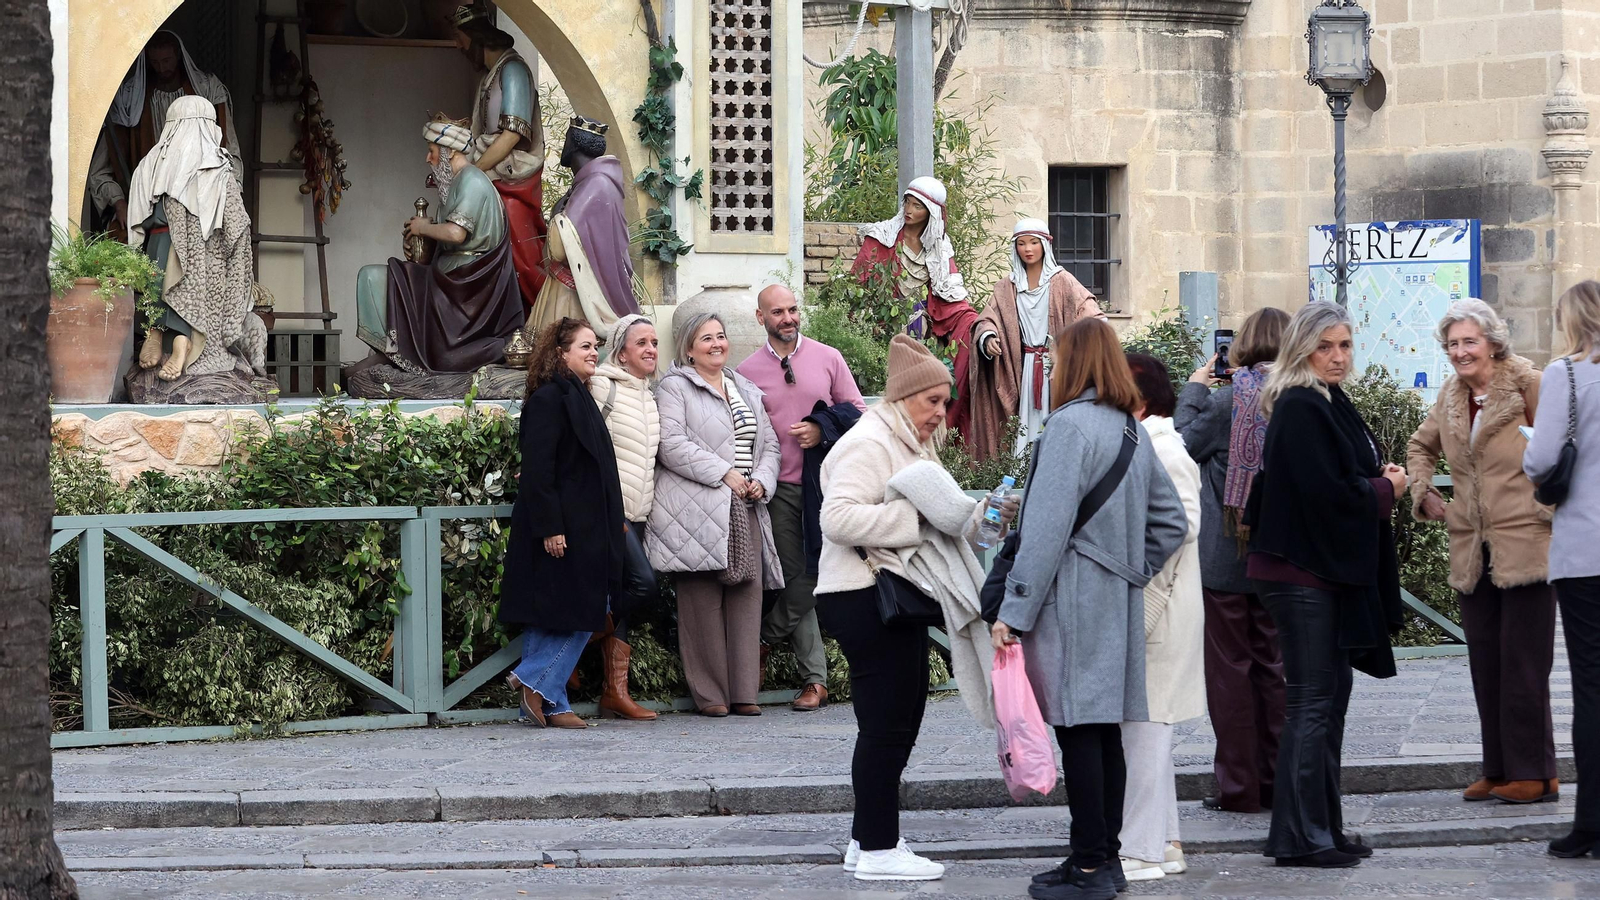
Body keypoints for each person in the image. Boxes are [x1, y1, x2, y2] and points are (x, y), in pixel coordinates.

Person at [994, 318, 1189, 900]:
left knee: (1080, 731)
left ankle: (1088, 866)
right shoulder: (1131, 431)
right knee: (1102, 733)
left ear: (1075, 362)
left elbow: (1045, 531)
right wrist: (1124, 567)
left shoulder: (1069, 427)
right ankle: (1103, 859)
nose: (1051, 366)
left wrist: (1014, 610)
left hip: (1071, 602)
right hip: (1115, 602)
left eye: (1056, 357)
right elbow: (1171, 523)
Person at [816, 334, 1015, 883]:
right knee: (888, 724)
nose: (939, 413)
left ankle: (867, 839)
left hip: (876, 598)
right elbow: (837, 519)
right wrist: (912, 524)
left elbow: (947, 523)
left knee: (893, 721)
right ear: (903, 397)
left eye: (943, 402)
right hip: (862, 596)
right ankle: (880, 848)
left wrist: (987, 517)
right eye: (931, 401)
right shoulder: (871, 441)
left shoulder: (905, 441)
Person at [1246, 302, 1404, 868]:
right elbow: (1325, 493)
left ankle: (1321, 828)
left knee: (1329, 701)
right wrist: (1386, 491)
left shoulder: (1329, 400)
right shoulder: (1300, 405)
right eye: (1326, 347)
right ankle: (1300, 836)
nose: (1338, 357)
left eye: (1344, 345)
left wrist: (1378, 480)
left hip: (1319, 572)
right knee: (1313, 703)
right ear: (1302, 349)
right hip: (1301, 573)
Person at [1406, 299, 1555, 804]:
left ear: (1493, 341)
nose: (1460, 352)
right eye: (1452, 344)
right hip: (1471, 547)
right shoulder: (1450, 395)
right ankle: (1497, 768)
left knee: (1524, 662)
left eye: (1469, 341)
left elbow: (1566, 445)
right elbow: (1419, 446)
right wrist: (1423, 490)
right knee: (1486, 659)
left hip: (1527, 541)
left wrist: (1550, 505)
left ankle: (1535, 772)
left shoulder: (1529, 384)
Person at [1173, 307, 1290, 814]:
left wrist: (1195, 387)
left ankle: (1239, 788)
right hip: (1280, 556)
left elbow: (1180, 445)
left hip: (1224, 560)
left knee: (1230, 676)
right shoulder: (1297, 398)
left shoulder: (1226, 402)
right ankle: (1279, 780)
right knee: (1274, 670)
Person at [736, 284, 865, 711]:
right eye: (778, 312)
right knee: (799, 578)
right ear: (761, 319)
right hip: (778, 490)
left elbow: (858, 413)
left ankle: (761, 640)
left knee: (817, 575)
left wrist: (821, 427)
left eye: (793, 309)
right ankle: (816, 681)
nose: (788, 318)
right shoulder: (745, 372)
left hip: (828, 487)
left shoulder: (828, 357)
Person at [647, 313, 783, 717]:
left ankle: (744, 693)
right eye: (706, 338)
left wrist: (761, 479)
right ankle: (711, 696)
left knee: (746, 596)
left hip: (746, 505)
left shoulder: (746, 388)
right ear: (689, 348)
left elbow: (770, 446)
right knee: (701, 602)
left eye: (721, 336)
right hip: (698, 508)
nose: (716, 344)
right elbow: (670, 444)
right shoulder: (674, 387)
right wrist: (722, 473)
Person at [498, 317, 625, 729]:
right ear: (560, 353)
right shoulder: (551, 398)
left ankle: (549, 704)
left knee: (552, 613)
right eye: (585, 347)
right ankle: (533, 681)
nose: (594, 353)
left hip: (585, 524)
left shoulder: (577, 395)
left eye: (595, 347)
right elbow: (539, 468)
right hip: (562, 528)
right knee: (583, 608)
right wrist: (551, 527)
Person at [1118, 353, 1205, 883]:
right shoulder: (1151, 442)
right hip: (1161, 603)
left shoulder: (1163, 448)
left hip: (1160, 607)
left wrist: (1138, 579)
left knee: (1145, 729)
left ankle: (1144, 849)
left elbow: (1184, 523)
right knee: (1149, 729)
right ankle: (1165, 841)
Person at [1524, 280, 1600, 858]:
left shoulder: (1566, 375)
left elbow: (1543, 458)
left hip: (1586, 551)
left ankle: (1592, 826)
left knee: (1592, 689)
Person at [354, 116, 523, 374]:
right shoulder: (451, 187)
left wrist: (423, 228)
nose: (428, 158)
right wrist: (420, 245)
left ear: (450, 151)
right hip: (449, 281)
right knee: (374, 276)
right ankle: (390, 350)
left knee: (384, 278)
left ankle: (401, 353)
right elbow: (447, 243)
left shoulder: (472, 180)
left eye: (431, 151)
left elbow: (456, 234)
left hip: (468, 290)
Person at [126, 96, 264, 384]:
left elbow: (138, 215)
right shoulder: (217, 168)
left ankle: (156, 334)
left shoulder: (152, 164)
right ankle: (181, 341)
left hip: (158, 243)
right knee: (190, 289)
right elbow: (235, 226)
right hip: (202, 258)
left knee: (156, 287)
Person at [850, 177, 979, 436]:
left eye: (917, 206)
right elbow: (858, 288)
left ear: (930, 212)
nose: (909, 210)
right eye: (907, 203)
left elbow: (950, 295)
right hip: (880, 324)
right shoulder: (881, 238)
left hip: (919, 329)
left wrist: (977, 323)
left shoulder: (939, 247)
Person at [968, 218, 1104, 460]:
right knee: (1025, 421)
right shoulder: (1006, 287)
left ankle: (1057, 465)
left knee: (1056, 416)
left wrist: (1072, 349)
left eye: (1033, 242)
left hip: (1057, 365)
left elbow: (1089, 310)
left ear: (1045, 245)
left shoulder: (1061, 280)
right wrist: (988, 336)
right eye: (1021, 243)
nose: (1027, 249)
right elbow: (988, 318)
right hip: (1024, 367)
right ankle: (1023, 472)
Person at [89, 31, 242, 241]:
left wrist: (230, 199)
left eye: (167, 60)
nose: (162, 68)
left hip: (198, 202)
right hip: (148, 211)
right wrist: (120, 202)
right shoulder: (130, 100)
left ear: (178, 55)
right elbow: (100, 172)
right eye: (155, 62)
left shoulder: (205, 89)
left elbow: (231, 153)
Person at [585, 313, 662, 721]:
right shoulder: (603, 385)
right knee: (644, 586)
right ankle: (578, 642)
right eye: (642, 344)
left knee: (623, 599)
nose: (651, 349)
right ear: (621, 353)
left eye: (654, 342)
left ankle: (614, 693)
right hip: (611, 511)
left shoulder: (649, 393)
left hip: (640, 509)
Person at [454, 5, 550, 308]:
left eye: (461, 39)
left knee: (521, 250)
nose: (459, 47)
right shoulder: (491, 75)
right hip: (492, 173)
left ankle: (540, 317)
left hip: (511, 177)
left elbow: (512, 135)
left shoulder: (513, 70)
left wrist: (474, 172)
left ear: (477, 37)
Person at [527, 116, 638, 336]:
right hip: (570, 287)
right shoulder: (592, 183)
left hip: (575, 298)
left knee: (564, 350)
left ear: (575, 144)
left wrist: (557, 217)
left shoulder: (596, 184)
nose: (563, 146)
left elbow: (559, 248)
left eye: (567, 139)